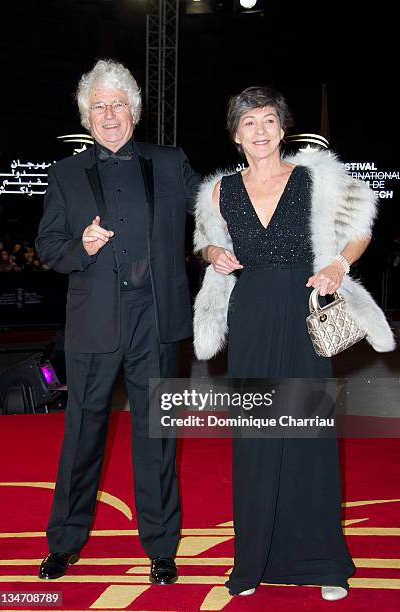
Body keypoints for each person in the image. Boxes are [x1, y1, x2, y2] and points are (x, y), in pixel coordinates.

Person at [193, 87, 395, 601]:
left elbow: (360, 228)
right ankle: (253, 561)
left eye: (267, 121)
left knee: (310, 437)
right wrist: (215, 251)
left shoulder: (314, 180)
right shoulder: (219, 192)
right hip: (253, 314)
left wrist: (337, 264)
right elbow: (208, 241)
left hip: (303, 309)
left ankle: (325, 562)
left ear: (282, 129)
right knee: (258, 439)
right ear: (236, 135)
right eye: (248, 123)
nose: (259, 131)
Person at [36, 59, 200, 583]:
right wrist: (80, 247)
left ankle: (161, 547)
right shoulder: (64, 174)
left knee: (156, 437)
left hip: (155, 318)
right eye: (99, 106)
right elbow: (47, 245)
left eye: (118, 104)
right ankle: (63, 542)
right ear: (87, 116)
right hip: (93, 323)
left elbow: (218, 207)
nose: (110, 115)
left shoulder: (170, 162)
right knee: (82, 435)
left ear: (134, 110)